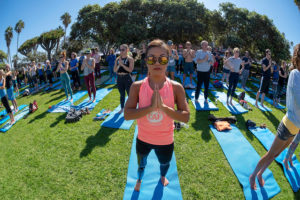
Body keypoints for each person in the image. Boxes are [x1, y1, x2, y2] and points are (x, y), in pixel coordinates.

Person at [124, 39, 190, 192]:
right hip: (143, 138)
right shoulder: (137, 86)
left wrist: (163, 108)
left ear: (168, 61)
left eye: (162, 58)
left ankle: (162, 176)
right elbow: (127, 115)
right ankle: (140, 179)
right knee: (141, 163)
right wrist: (150, 108)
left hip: (166, 140)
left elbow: (185, 117)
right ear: (146, 61)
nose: (157, 62)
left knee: (164, 164)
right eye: (151, 58)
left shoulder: (176, 87)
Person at [249, 44, 300, 190]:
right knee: (271, 153)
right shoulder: (295, 73)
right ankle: (253, 175)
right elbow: (298, 98)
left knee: (276, 154)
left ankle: (260, 174)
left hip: (296, 127)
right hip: (289, 124)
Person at [114, 44, 134, 114]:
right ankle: (122, 108)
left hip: (127, 78)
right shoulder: (117, 59)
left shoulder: (130, 59)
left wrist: (122, 65)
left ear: (127, 50)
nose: (121, 51)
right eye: (120, 50)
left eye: (123, 49)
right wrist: (119, 64)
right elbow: (114, 70)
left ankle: (131, 108)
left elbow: (130, 70)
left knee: (129, 94)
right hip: (119, 78)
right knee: (122, 94)